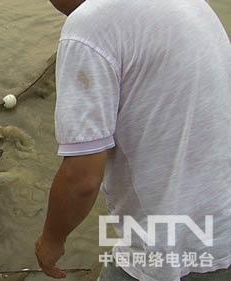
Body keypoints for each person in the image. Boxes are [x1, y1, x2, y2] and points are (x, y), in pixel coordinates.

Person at [35, 0, 231, 280]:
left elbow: (82, 178)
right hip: (223, 228)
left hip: (166, 250)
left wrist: (51, 240)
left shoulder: (88, 26)